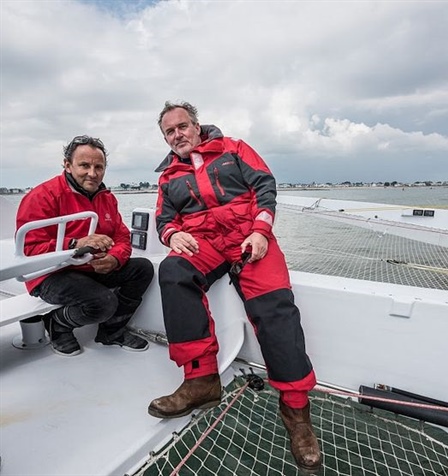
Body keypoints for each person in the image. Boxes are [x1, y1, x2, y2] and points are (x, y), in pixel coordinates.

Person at [148, 101, 322, 472]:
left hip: (248, 238)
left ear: (197, 126)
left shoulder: (234, 149)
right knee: (174, 273)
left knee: (274, 308)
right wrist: (173, 233)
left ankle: (296, 413)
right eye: (169, 131)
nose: (177, 134)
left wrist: (261, 231)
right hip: (204, 242)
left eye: (182, 126)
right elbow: (164, 217)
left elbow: (265, 186)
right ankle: (201, 380)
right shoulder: (167, 177)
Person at [16, 135, 154, 356]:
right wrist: (74, 244)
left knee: (143, 269)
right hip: (50, 274)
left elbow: (122, 238)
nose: (93, 173)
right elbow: (28, 250)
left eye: (99, 167)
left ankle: (111, 331)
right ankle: (58, 324)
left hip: (88, 268)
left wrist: (115, 259)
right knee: (104, 303)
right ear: (68, 165)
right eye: (84, 165)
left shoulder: (106, 197)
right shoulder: (42, 196)